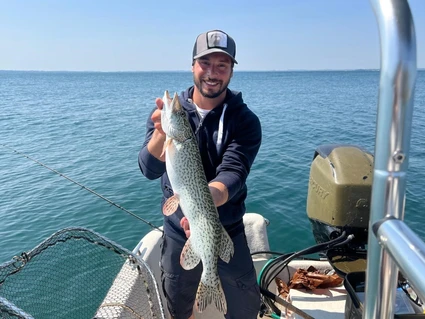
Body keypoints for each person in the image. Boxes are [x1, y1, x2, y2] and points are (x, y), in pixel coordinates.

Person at [138, 29, 262, 319]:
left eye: (222, 65)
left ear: (231, 70)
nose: (212, 72)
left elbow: (233, 172)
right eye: (205, 63)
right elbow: (148, 168)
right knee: (178, 307)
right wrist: (160, 134)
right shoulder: (167, 121)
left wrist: (203, 212)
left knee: (245, 309)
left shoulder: (244, 120)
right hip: (177, 232)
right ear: (193, 65)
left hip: (227, 227)